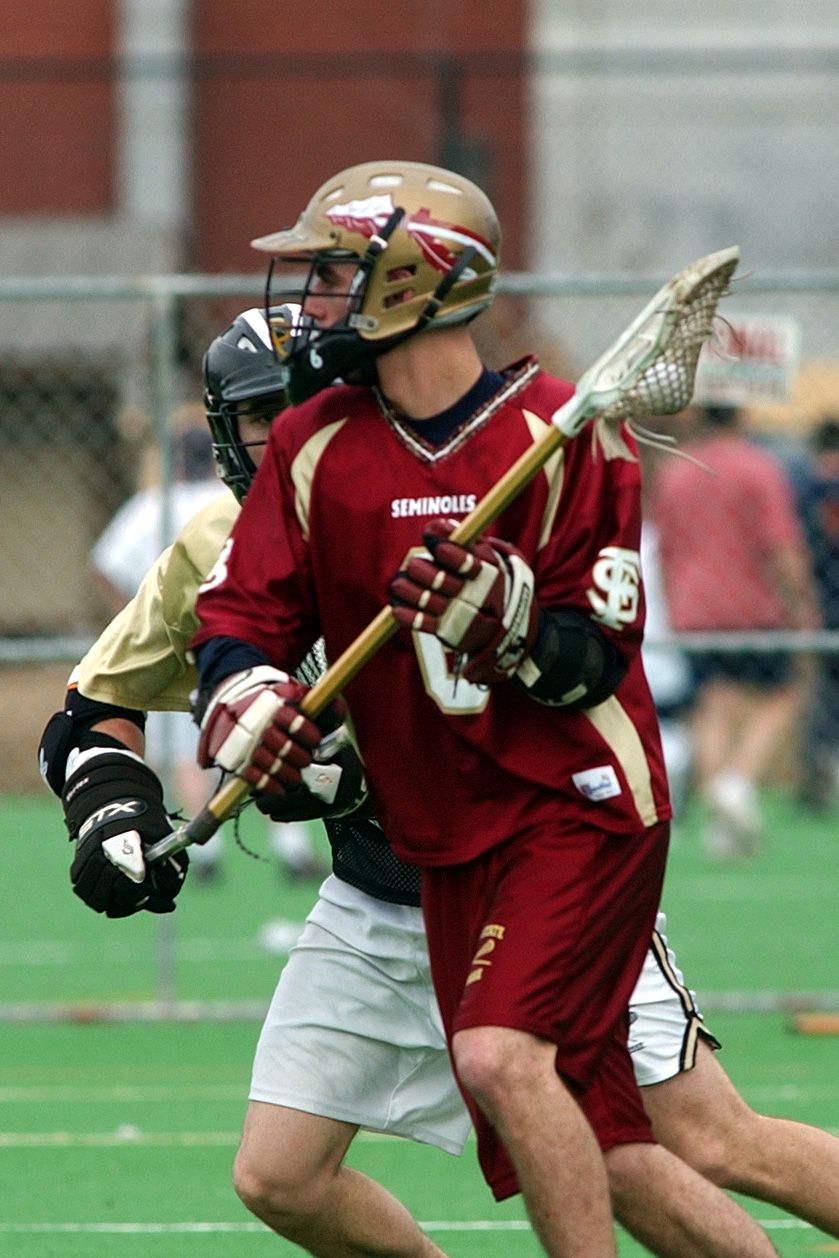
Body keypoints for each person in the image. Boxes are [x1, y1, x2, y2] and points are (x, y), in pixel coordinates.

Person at [40, 306, 839, 1257]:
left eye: (306, 400)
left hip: (525, 870)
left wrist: (357, 766)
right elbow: (93, 705)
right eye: (261, 413)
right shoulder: (217, 543)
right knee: (280, 1177)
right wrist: (113, 805)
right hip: (379, 894)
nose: (289, 427)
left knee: (691, 1142)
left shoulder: (437, 493)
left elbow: (578, 667)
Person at [186, 161, 783, 1256]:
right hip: (439, 832)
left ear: (413, 279)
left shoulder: (563, 432)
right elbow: (237, 616)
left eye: (333, 273)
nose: (311, 300)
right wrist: (246, 696)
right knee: (613, 1148)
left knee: (508, 1061)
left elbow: (593, 663)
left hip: (575, 803)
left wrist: (510, 629)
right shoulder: (314, 444)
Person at [88, 346, 326, 885]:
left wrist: (133, 612)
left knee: (192, 748)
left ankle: (206, 849)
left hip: (190, 644)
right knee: (277, 736)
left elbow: (103, 565)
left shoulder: (154, 505)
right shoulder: (236, 499)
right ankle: (291, 846)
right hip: (274, 643)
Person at [652, 403, 820, 859]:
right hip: (752, 607)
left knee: (712, 706)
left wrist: (672, 601)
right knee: (782, 696)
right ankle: (736, 784)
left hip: (692, 607)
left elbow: (664, 545)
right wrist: (801, 604)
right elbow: (781, 544)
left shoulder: (675, 472)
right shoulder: (758, 468)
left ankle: (722, 822)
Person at [795, 417, 839, 810]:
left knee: (820, 694)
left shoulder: (805, 487)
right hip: (824, 601)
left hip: (821, 602)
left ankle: (818, 778)